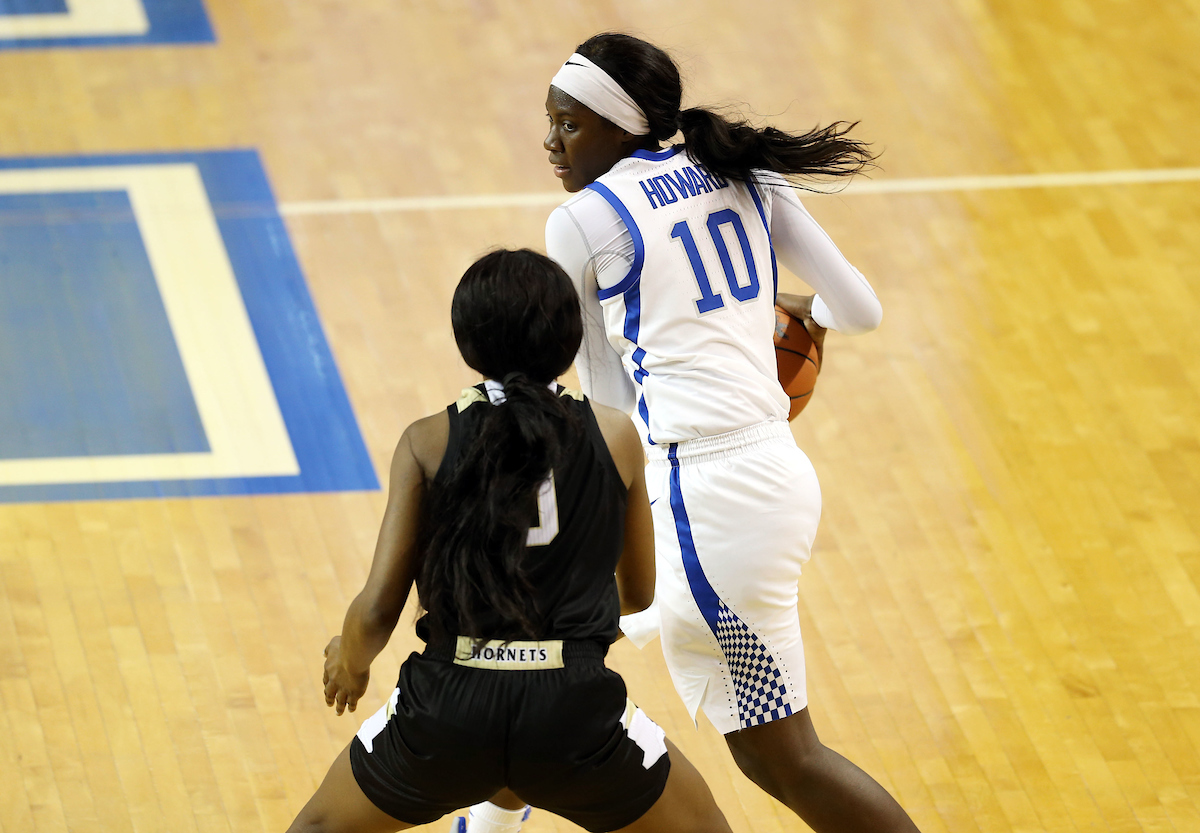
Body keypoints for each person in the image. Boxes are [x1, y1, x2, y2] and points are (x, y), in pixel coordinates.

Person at [467, 34, 922, 833]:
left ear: (618, 128)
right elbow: (860, 309)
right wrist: (791, 314)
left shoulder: (584, 220)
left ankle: (492, 808)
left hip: (698, 499)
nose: (549, 143)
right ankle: (493, 811)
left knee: (786, 758)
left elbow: (605, 395)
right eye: (548, 122)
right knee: (554, 636)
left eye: (568, 126)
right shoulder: (745, 168)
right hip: (774, 477)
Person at [286, 249, 734, 833]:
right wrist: (554, 625)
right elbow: (639, 592)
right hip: (573, 712)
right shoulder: (616, 436)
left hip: (449, 706)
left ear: (466, 344)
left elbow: (376, 612)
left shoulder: (425, 441)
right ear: (570, 342)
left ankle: (492, 814)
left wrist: (349, 663)